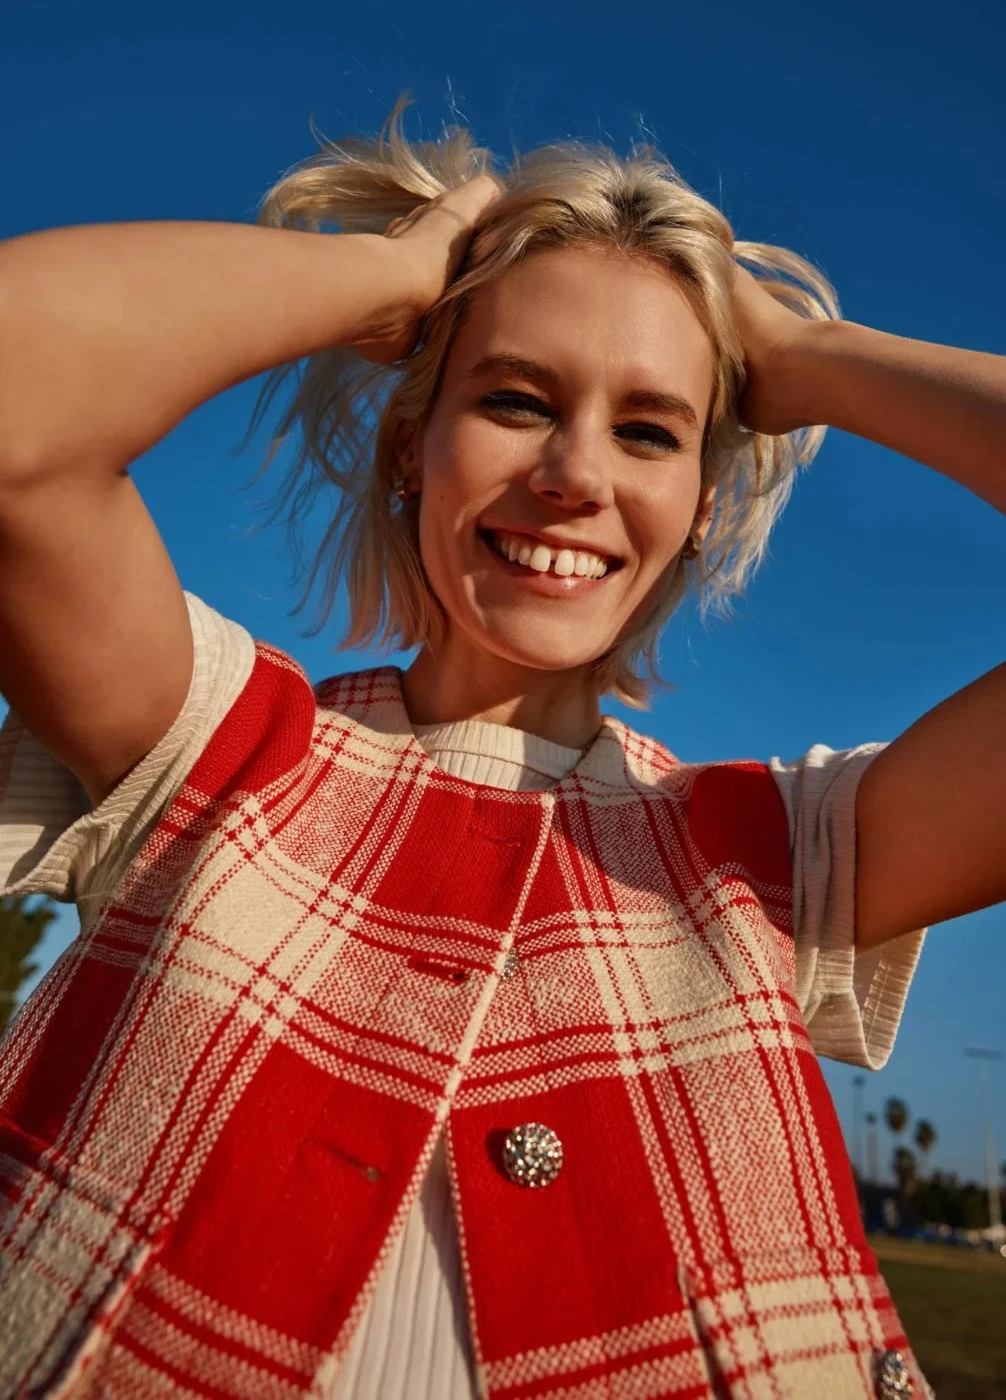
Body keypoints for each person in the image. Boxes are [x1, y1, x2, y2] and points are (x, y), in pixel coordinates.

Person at [0, 101, 1002, 1400]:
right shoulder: (219, 743)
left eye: (650, 430)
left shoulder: (783, 850)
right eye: (517, 398)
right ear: (410, 443)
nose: (573, 473)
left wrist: (796, 354)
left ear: (700, 507)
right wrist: (395, 276)